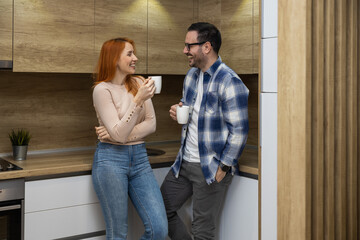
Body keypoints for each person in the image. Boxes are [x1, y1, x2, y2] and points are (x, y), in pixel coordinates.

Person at [160, 22, 249, 240]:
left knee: (202, 231)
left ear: (206, 47)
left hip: (210, 166)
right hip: (184, 162)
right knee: (159, 210)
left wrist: (224, 166)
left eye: (189, 45)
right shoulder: (191, 76)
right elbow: (192, 113)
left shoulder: (229, 81)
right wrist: (178, 111)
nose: (184, 51)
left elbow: (240, 130)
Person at [91, 37, 168, 240]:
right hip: (110, 161)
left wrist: (118, 135)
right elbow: (118, 133)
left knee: (159, 229)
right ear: (114, 58)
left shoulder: (139, 83)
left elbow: (151, 124)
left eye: (134, 53)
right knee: (118, 234)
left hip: (140, 159)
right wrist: (138, 100)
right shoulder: (102, 90)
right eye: (130, 53)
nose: (136, 58)